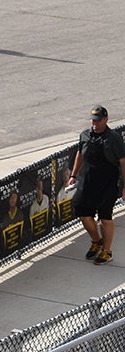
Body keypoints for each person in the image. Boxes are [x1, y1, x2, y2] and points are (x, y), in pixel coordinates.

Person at [71, 104, 125, 265]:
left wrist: (124, 186)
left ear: (106, 120)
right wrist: (73, 175)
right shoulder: (85, 135)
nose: (95, 124)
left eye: (99, 121)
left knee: (105, 218)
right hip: (87, 182)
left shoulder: (114, 138)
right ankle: (97, 241)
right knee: (82, 212)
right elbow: (80, 154)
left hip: (107, 184)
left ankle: (107, 252)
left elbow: (123, 162)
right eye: (93, 120)